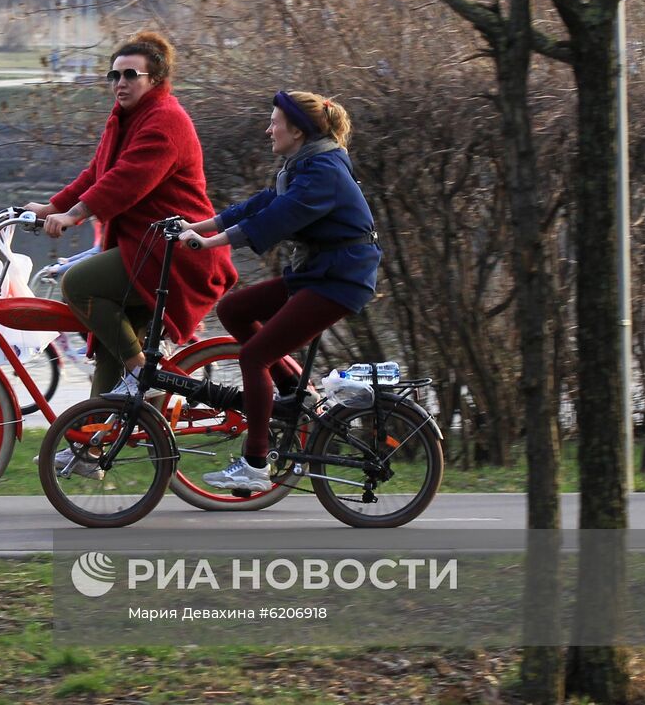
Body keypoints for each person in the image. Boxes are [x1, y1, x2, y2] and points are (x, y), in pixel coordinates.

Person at [176, 91, 381, 492]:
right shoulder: (306, 163)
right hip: (320, 273)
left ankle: (255, 463)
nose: (269, 128)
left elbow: (278, 217)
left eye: (275, 122)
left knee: (255, 356)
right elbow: (263, 202)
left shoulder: (323, 171)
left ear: (299, 130)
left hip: (340, 279)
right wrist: (201, 226)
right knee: (235, 309)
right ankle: (294, 393)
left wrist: (210, 244)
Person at [25, 30, 237, 403]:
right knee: (112, 348)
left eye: (130, 75)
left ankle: (143, 373)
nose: (119, 83)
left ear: (155, 79)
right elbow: (97, 174)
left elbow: (127, 181)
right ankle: (92, 450)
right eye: (114, 75)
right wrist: (50, 208)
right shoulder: (125, 119)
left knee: (78, 284)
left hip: (175, 254)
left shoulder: (165, 120)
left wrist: (74, 216)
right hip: (146, 250)